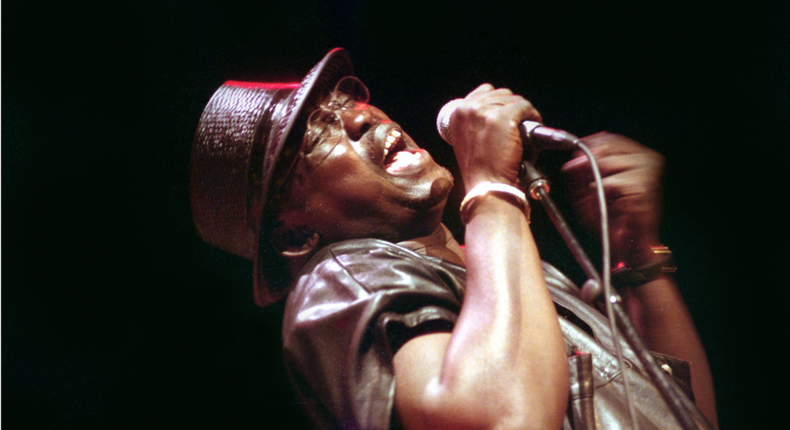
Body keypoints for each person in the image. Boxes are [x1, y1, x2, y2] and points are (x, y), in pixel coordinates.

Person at [190, 48, 717, 430]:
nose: (358, 114)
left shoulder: (509, 277)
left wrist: (637, 258)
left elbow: (684, 415)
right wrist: (488, 186)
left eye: (343, 99)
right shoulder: (340, 279)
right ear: (297, 233)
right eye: (316, 135)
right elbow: (502, 420)